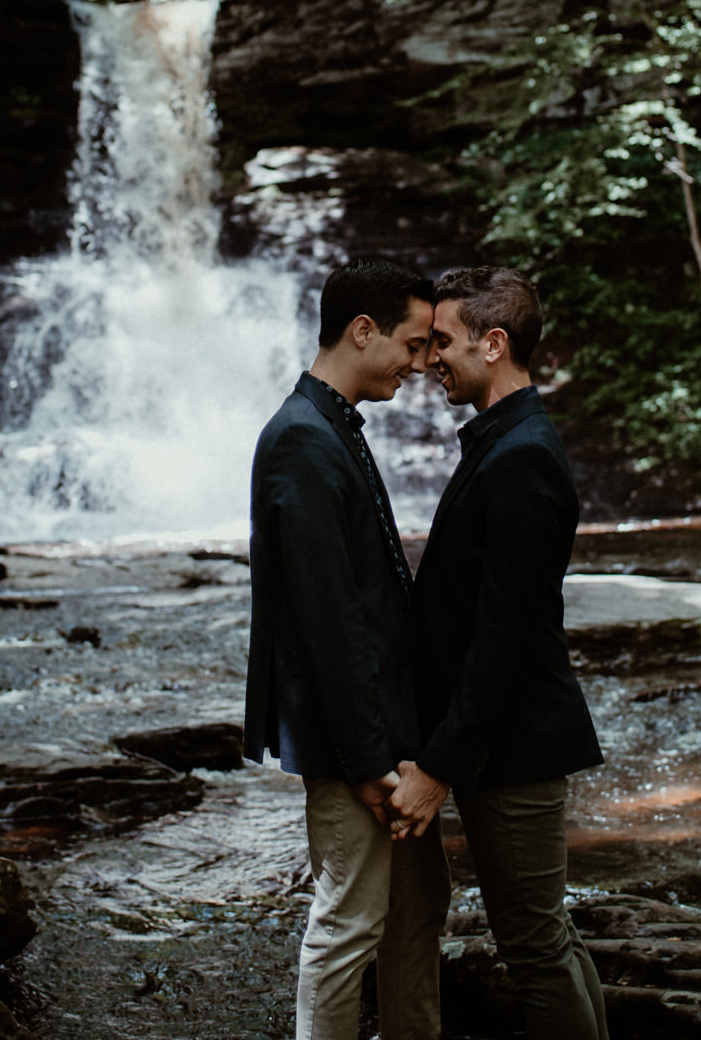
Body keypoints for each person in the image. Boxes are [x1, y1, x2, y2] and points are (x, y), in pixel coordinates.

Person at [388, 264, 609, 1040]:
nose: (426, 360)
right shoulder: (504, 441)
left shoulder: (519, 457)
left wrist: (439, 766)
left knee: (535, 946)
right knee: (548, 937)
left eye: (442, 342)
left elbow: (506, 635)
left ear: (494, 342)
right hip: (504, 743)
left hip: (513, 748)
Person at [243, 257, 451, 1040]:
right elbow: (324, 622)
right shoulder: (301, 439)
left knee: (416, 915)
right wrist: (368, 762)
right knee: (350, 923)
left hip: (389, 732)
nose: (426, 361)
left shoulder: (327, 426)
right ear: (362, 331)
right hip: (353, 743)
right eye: (414, 341)